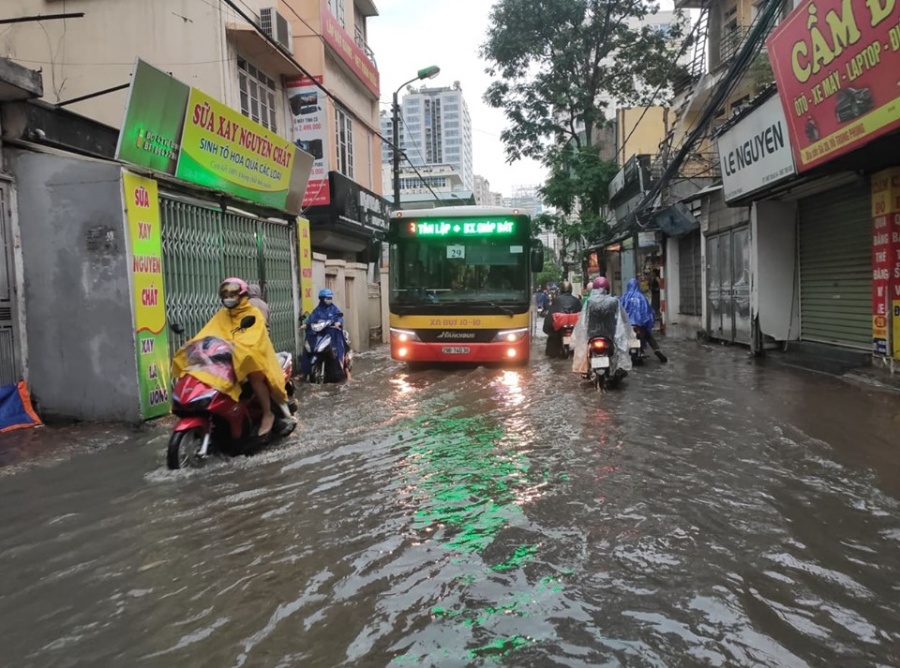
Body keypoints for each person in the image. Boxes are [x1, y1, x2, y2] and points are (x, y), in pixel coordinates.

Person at [171, 278, 287, 438]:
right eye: (225, 295)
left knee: (255, 377)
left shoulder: (253, 314)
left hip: (253, 355)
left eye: (232, 294)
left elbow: (253, 338)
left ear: (242, 295)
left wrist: (238, 347)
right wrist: (196, 345)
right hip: (227, 357)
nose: (229, 298)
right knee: (203, 373)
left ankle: (268, 413)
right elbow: (208, 333)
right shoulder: (222, 315)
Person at [571, 276, 632, 381]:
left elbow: (583, 321)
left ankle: (586, 370)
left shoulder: (589, 301)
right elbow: (622, 321)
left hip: (592, 336)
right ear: (607, 288)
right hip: (610, 336)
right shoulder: (614, 301)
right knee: (619, 353)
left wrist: (579, 337)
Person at [300, 288, 350, 380]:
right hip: (320, 335)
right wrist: (306, 325)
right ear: (322, 299)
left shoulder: (334, 309)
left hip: (332, 334)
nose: (329, 300)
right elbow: (311, 318)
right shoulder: (317, 310)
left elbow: (338, 316)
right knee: (308, 346)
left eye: (330, 298)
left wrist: (338, 322)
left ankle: (343, 367)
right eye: (327, 298)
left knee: (338, 347)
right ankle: (304, 371)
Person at [622, 278, 668, 363]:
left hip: (628, 325)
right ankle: (656, 350)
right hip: (640, 325)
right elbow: (648, 312)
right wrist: (647, 323)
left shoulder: (625, 297)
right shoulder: (642, 297)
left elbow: (620, 311)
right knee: (648, 335)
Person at [543, 280, 582, 357]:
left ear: (561, 289)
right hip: (573, 326)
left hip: (560, 326)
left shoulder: (557, 300)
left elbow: (550, 314)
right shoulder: (576, 300)